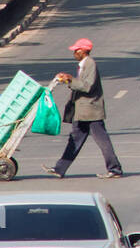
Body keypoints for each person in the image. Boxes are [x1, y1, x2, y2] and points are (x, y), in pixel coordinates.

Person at [45, 38, 123, 179]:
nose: (74, 52)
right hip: (83, 112)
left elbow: (87, 86)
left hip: (90, 111)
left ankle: (115, 169)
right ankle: (59, 168)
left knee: (102, 141)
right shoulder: (83, 65)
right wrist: (69, 79)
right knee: (75, 139)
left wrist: (69, 80)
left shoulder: (90, 64)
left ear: (83, 51)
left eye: (76, 50)